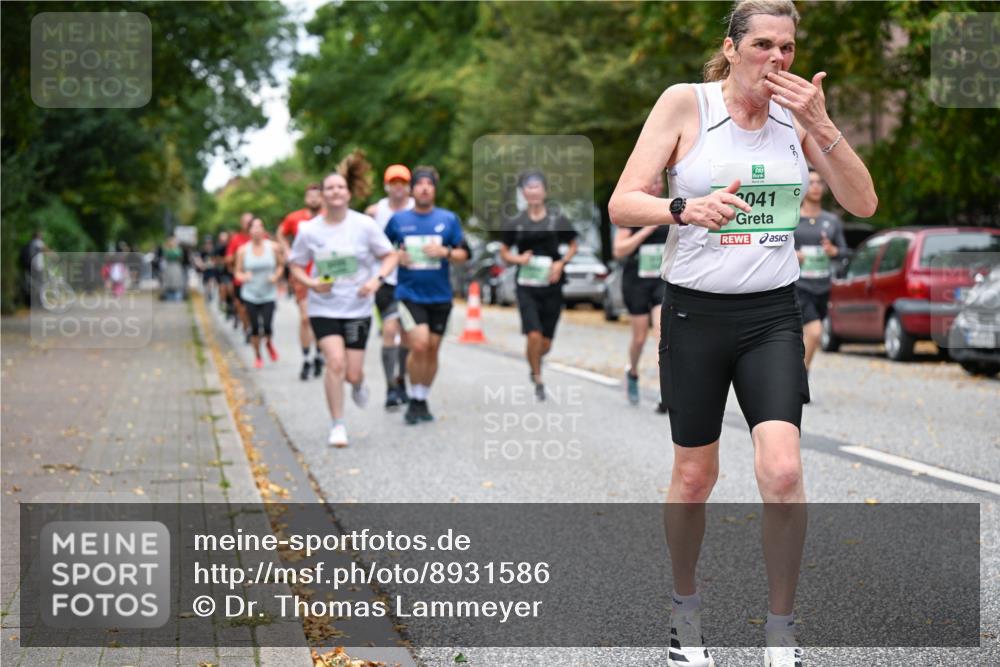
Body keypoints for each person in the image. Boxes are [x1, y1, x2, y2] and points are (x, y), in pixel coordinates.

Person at [607, 2, 877, 666]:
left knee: (783, 471)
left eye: (787, 47)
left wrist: (823, 125)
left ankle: (780, 627)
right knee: (695, 476)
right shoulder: (686, 104)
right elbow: (622, 200)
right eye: (762, 44)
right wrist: (684, 207)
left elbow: (863, 203)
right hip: (695, 314)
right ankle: (685, 612)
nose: (777, 59)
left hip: (770, 316)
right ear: (731, 48)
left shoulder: (797, 117)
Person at [288, 151, 398, 447]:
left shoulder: (363, 225)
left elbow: (389, 255)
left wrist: (376, 280)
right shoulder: (309, 231)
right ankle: (337, 424)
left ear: (349, 193)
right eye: (329, 188)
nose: (335, 191)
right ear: (322, 195)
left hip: (358, 308)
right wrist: (312, 283)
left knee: (352, 372)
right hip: (324, 308)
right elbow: (295, 263)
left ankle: (359, 383)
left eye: (340, 187)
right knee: (334, 363)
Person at [383, 166, 469, 425]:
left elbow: (464, 255)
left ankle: (421, 398)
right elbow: (380, 250)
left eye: (428, 185)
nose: (424, 188)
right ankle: (410, 394)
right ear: (412, 190)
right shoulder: (398, 221)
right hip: (410, 293)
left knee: (432, 350)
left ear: (434, 189)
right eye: (419, 184)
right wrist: (398, 256)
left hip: (440, 296)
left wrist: (445, 253)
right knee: (418, 344)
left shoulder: (448, 219)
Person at [499, 169, 578, 401]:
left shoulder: (557, 219)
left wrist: (561, 263)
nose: (533, 192)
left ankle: (535, 359)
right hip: (526, 286)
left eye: (537, 187)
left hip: (552, 286)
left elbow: (573, 245)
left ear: (544, 190)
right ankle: (537, 375)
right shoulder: (516, 222)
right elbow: (504, 251)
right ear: (523, 192)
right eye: (528, 188)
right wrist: (518, 259)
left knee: (545, 343)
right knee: (533, 335)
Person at [612, 170, 670, 410]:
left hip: (661, 280)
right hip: (636, 281)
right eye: (651, 181)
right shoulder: (633, 210)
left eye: (658, 182)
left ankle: (663, 391)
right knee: (639, 338)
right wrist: (646, 230)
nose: (655, 186)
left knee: (662, 333)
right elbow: (619, 250)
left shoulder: (671, 207)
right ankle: (633, 372)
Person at [366, 164, 416, 409]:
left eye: (403, 183)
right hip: (386, 279)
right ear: (387, 186)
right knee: (389, 331)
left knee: (406, 336)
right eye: (394, 182)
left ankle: (402, 380)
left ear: (408, 186)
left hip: (412, 280)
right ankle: (389, 388)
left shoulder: (418, 208)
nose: (398, 187)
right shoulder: (376, 212)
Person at [794, 168, 846, 375]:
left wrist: (833, 250)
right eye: (811, 182)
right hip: (799, 285)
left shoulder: (832, 221)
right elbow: (774, 245)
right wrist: (793, 254)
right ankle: (801, 376)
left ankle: (799, 371)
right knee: (815, 332)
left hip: (823, 286)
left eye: (819, 183)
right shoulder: (793, 217)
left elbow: (843, 252)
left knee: (807, 334)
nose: (816, 186)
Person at [278, 184, 326, 381]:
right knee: (306, 318)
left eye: (317, 195)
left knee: (322, 318)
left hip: (326, 273)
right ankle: (307, 357)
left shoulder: (328, 216)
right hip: (302, 274)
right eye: (310, 195)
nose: (314, 199)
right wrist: (287, 252)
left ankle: (319, 354)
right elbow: (280, 233)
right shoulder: (295, 218)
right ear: (306, 198)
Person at [236, 218, 285, 369]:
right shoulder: (243, 250)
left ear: (264, 230)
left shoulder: (273, 247)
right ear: (249, 231)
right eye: (253, 227)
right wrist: (244, 276)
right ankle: (258, 356)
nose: (257, 230)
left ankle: (269, 342)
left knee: (268, 326)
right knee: (255, 328)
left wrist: (276, 276)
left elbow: (281, 265)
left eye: (260, 226)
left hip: (268, 293)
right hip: (250, 293)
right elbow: (237, 272)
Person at [225, 213, 253, 338]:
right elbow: (228, 258)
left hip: (257, 280)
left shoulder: (261, 237)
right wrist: (240, 256)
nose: (248, 224)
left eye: (250, 221)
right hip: (240, 280)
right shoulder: (236, 239)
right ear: (241, 224)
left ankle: (254, 327)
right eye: (245, 222)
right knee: (243, 308)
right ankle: (247, 329)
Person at [160, 237, 187, 302]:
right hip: (169, 267)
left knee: (177, 282)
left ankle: (177, 297)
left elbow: (179, 256)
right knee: (169, 282)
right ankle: (169, 297)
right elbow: (166, 255)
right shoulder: (167, 250)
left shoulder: (178, 250)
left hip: (176, 267)